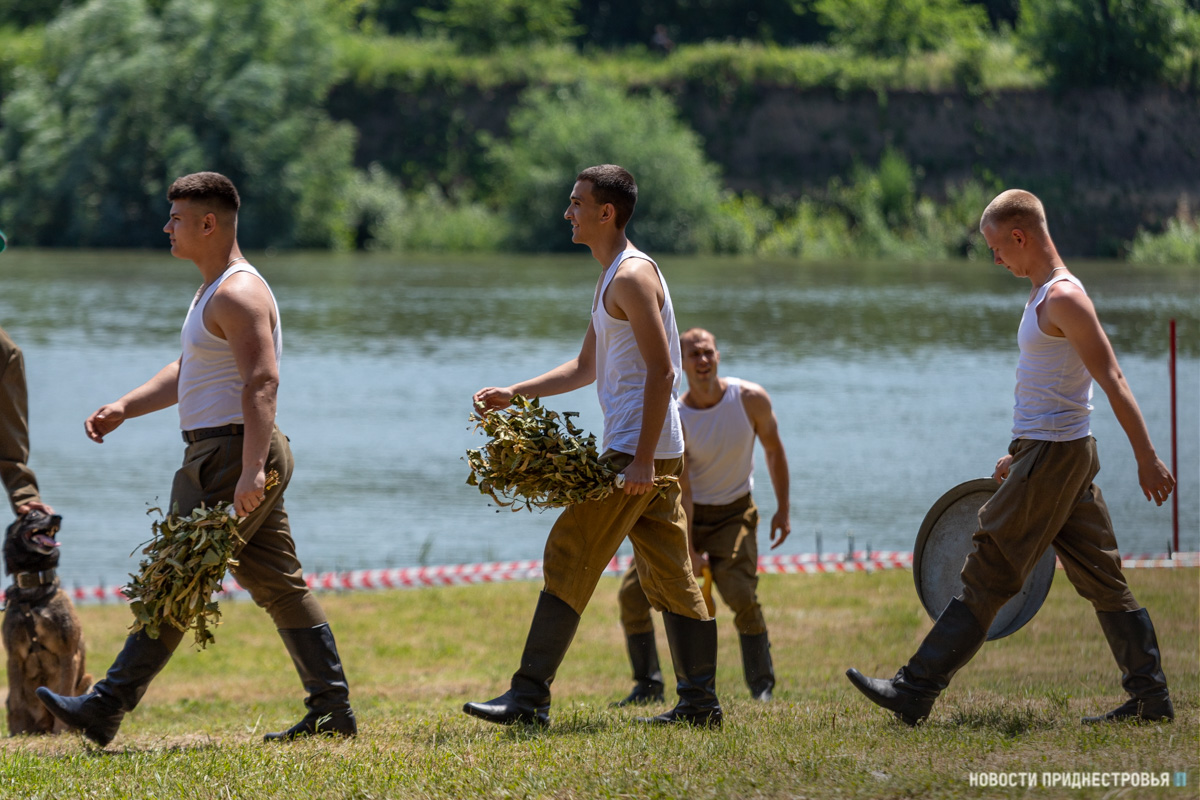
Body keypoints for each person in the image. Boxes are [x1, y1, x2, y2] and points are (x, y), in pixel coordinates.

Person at [36, 172, 356, 745]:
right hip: (230, 450)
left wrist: (251, 470)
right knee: (280, 585)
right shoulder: (214, 291)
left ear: (209, 223)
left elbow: (262, 381)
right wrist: (126, 407)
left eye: (177, 219)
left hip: (232, 454)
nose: (167, 227)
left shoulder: (237, 292)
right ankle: (332, 713)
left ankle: (106, 706)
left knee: (175, 577)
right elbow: (190, 370)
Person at [846, 189, 1177, 726]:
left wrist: (1147, 456)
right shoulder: (1042, 294)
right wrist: (1018, 454)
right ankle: (1151, 698)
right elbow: (1050, 389)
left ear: (1019, 237)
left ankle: (914, 689)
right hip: (1049, 453)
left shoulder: (1063, 298)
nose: (996, 259)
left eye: (997, 248)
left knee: (990, 567)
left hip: (1055, 455)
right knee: (1102, 576)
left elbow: (1112, 378)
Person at [465, 164, 722, 728]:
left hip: (637, 449)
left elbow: (664, 372)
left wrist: (641, 460)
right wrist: (515, 392)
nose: (568, 213)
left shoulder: (630, 277)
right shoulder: (613, 276)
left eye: (577, 203)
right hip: (650, 447)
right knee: (670, 570)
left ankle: (528, 698)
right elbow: (587, 366)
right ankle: (700, 704)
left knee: (569, 550)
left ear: (607, 212)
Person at [613, 327, 790, 705]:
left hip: (734, 513)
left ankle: (762, 686)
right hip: (682, 514)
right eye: (693, 354)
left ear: (718, 356)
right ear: (681, 363)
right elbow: (685, 489)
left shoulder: (750, 399)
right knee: (632, 595)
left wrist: (783, 510)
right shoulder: (674, 416)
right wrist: (689, 550)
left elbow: (774, 450)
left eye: (708, 352)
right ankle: (648, 686)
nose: (703, 360)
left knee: (740, 593)